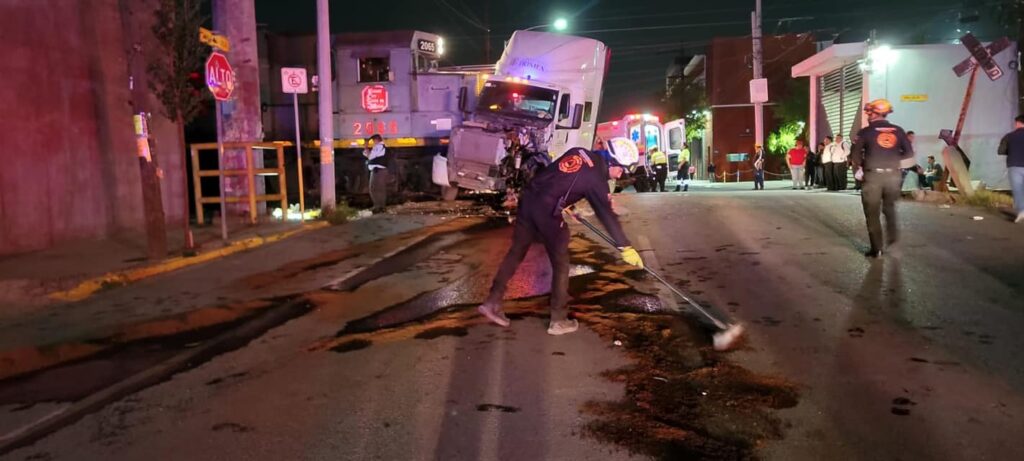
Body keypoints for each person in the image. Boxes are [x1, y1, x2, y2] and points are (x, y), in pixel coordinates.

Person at [477, 147, 644, 335]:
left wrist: (566, 203)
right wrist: (625, 246)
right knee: (561, 261)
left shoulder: (579, 151)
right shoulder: (597, 180)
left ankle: (492, 301)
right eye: (621, 170)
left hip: (529, 198)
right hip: (546, 211)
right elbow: (606, 215)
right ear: (614, 163)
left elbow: (558, 176)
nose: (619, 175)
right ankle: (558, 319)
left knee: (516, 251)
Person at [850, 99, 914, 258]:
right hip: (893, 176)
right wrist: (895, 164)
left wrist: (858, 169)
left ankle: (876, 249)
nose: (867, 115)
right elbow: (909, 156)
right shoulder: (899, 131)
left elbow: (855, 156)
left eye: (869, 112)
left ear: (874, 113)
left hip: (873, 177)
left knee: (872, 213)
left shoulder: (865, 132)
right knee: (890, 209)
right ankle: (893, 244)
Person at [998, 114, 1024, 223]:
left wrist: (1012, 150)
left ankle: (1022, 211)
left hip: (1014, 165)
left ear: (1017, 123)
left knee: (1018, 190)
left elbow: (1001, 151)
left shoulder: (1008, 136)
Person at [363, 134, 389, 212]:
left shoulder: (378, 146)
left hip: (377, 171)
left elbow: (370, 156)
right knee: (381, 189)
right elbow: (367, 154)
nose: (373, 142)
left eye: (373, 140)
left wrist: (366, 147)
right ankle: (381, 207)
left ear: (376, 140)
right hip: (380, 170)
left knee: (373, 188)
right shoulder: (381, 146)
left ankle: (377, 206)